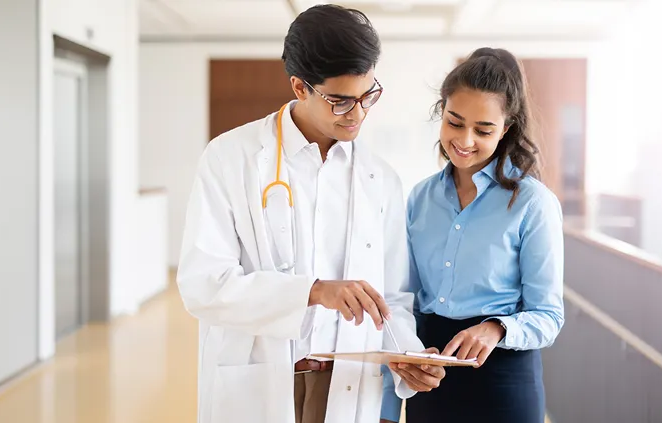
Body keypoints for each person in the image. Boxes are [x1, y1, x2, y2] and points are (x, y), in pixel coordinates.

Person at [176, 5, 444, 423]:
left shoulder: (381, 179)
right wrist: (314, 291)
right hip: (263, 381)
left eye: (368, 95)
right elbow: (203, 285)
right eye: (339, 101)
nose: (357, 114)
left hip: (349, 382)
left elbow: (392, 297)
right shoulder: (230, 159)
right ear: (300, 87)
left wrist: (406, 354)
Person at [394, 47, 565, 423]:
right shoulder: (420, 198)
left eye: (483, 130)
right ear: (441, 113)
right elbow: (406, 299)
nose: (465, 140)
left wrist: (496, 328)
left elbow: (549, 316)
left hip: (503, 382)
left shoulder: (533, 203)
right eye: (455, 122)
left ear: (505, 130)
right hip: (431, 376)